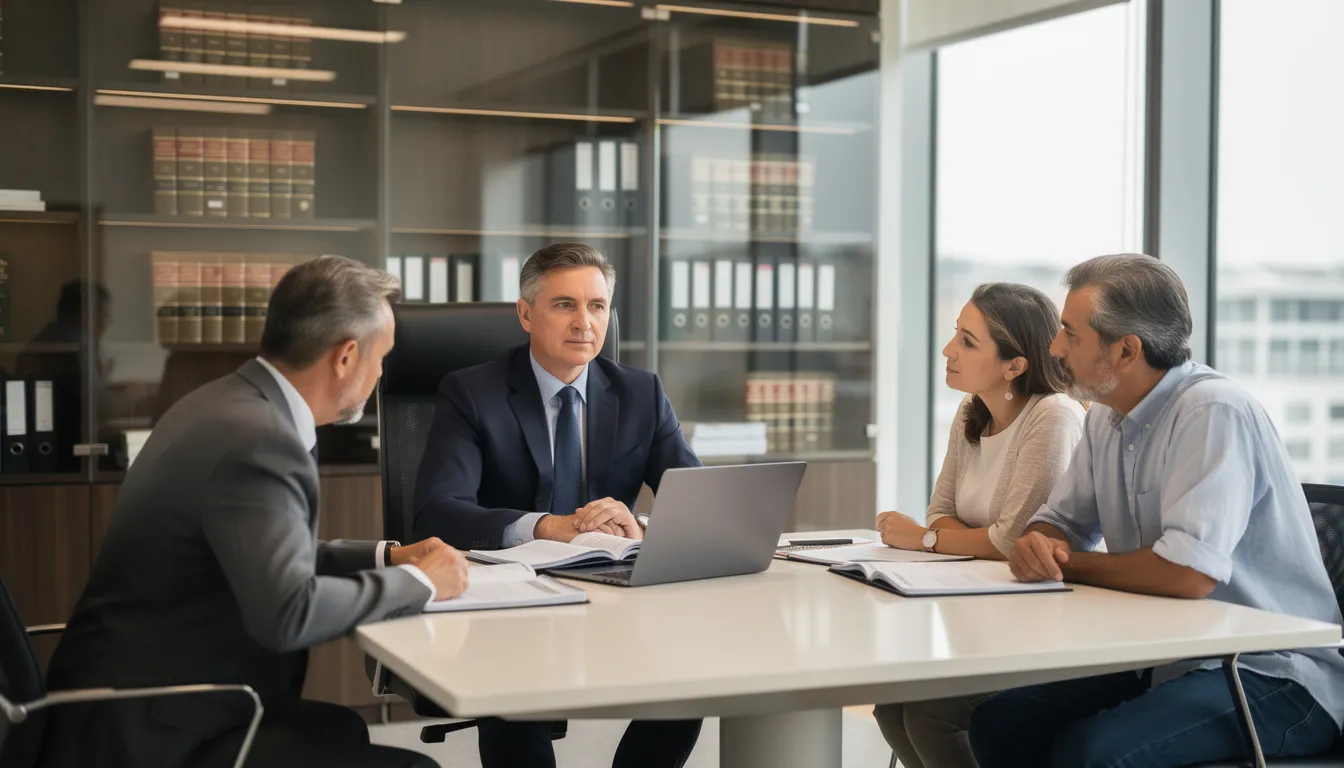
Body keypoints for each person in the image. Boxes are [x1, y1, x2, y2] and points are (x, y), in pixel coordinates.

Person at [39, 255, 470, 768]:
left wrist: (387, 558)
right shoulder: (260, 439)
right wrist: (422, 585)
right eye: (382, 358)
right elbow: (290, 614)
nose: (380, 374)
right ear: (346, 357)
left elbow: (263, 549)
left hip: (136, 693)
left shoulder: (226, 402)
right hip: (153, 729)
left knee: (343, 729)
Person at [968, 253, 1344, 767]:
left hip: (1272, 674)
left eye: (1070, 334)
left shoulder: (1213, 412)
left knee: (1092, 755)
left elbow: (1187, 574)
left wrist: (1065, 562)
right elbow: (1062, 521)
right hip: (1172, 657)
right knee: (1000, 725)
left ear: (1126, 350)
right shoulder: (1105, 414)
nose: (1055, 348)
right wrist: (1040, 540)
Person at [413, 242, 703, 768]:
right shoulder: (472, 393)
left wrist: (636, 525)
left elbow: (699, 504)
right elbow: (436, 513)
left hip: (615, 594)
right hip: (510, 603)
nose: (584, 323)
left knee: (689, 681)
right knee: (514, 698)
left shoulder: (641, 393)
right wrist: (546, 527)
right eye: (564, 305)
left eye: (596, 306)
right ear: (526, 313)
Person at [871, 282, 1085, 768]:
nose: (948, 350)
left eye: (968, 341)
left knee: (930, 715)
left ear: (1015, 365)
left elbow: (1013, 541)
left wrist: (926, 541)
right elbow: (941, 510)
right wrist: (948, 538)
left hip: (1039, 627)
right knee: (890, 707)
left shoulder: (1053, 416)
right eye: (955, 335)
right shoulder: (972, 411)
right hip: (978, 611)